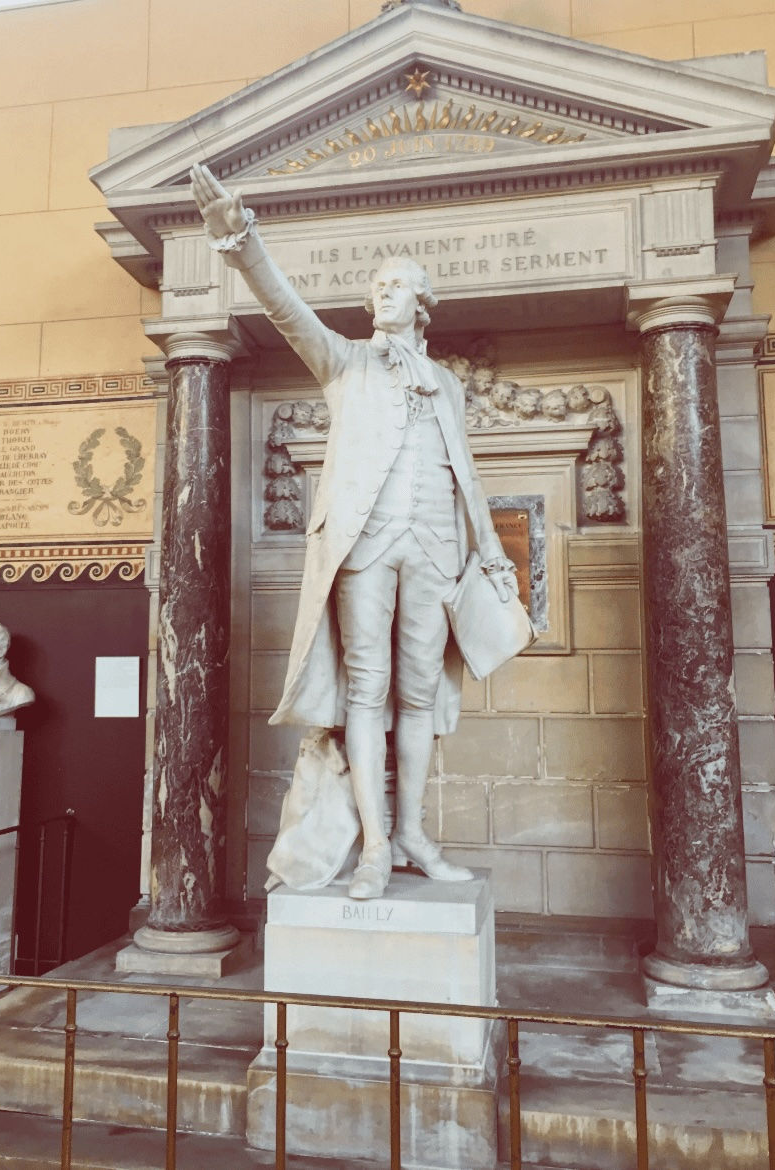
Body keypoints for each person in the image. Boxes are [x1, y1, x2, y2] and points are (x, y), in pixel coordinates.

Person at [191, 164, 519, 899]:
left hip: (436, 547)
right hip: (366, 546)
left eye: (396, 285)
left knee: (422, 697)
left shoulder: (450, 383)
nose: (382, 293)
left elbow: (465, 470)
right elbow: (286, 311)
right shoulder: (345, 362)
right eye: (376, 286)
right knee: (366, 694)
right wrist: (240, 240)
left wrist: (490, 550)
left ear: (423, 303)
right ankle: (374, 847)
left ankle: (411, 834)